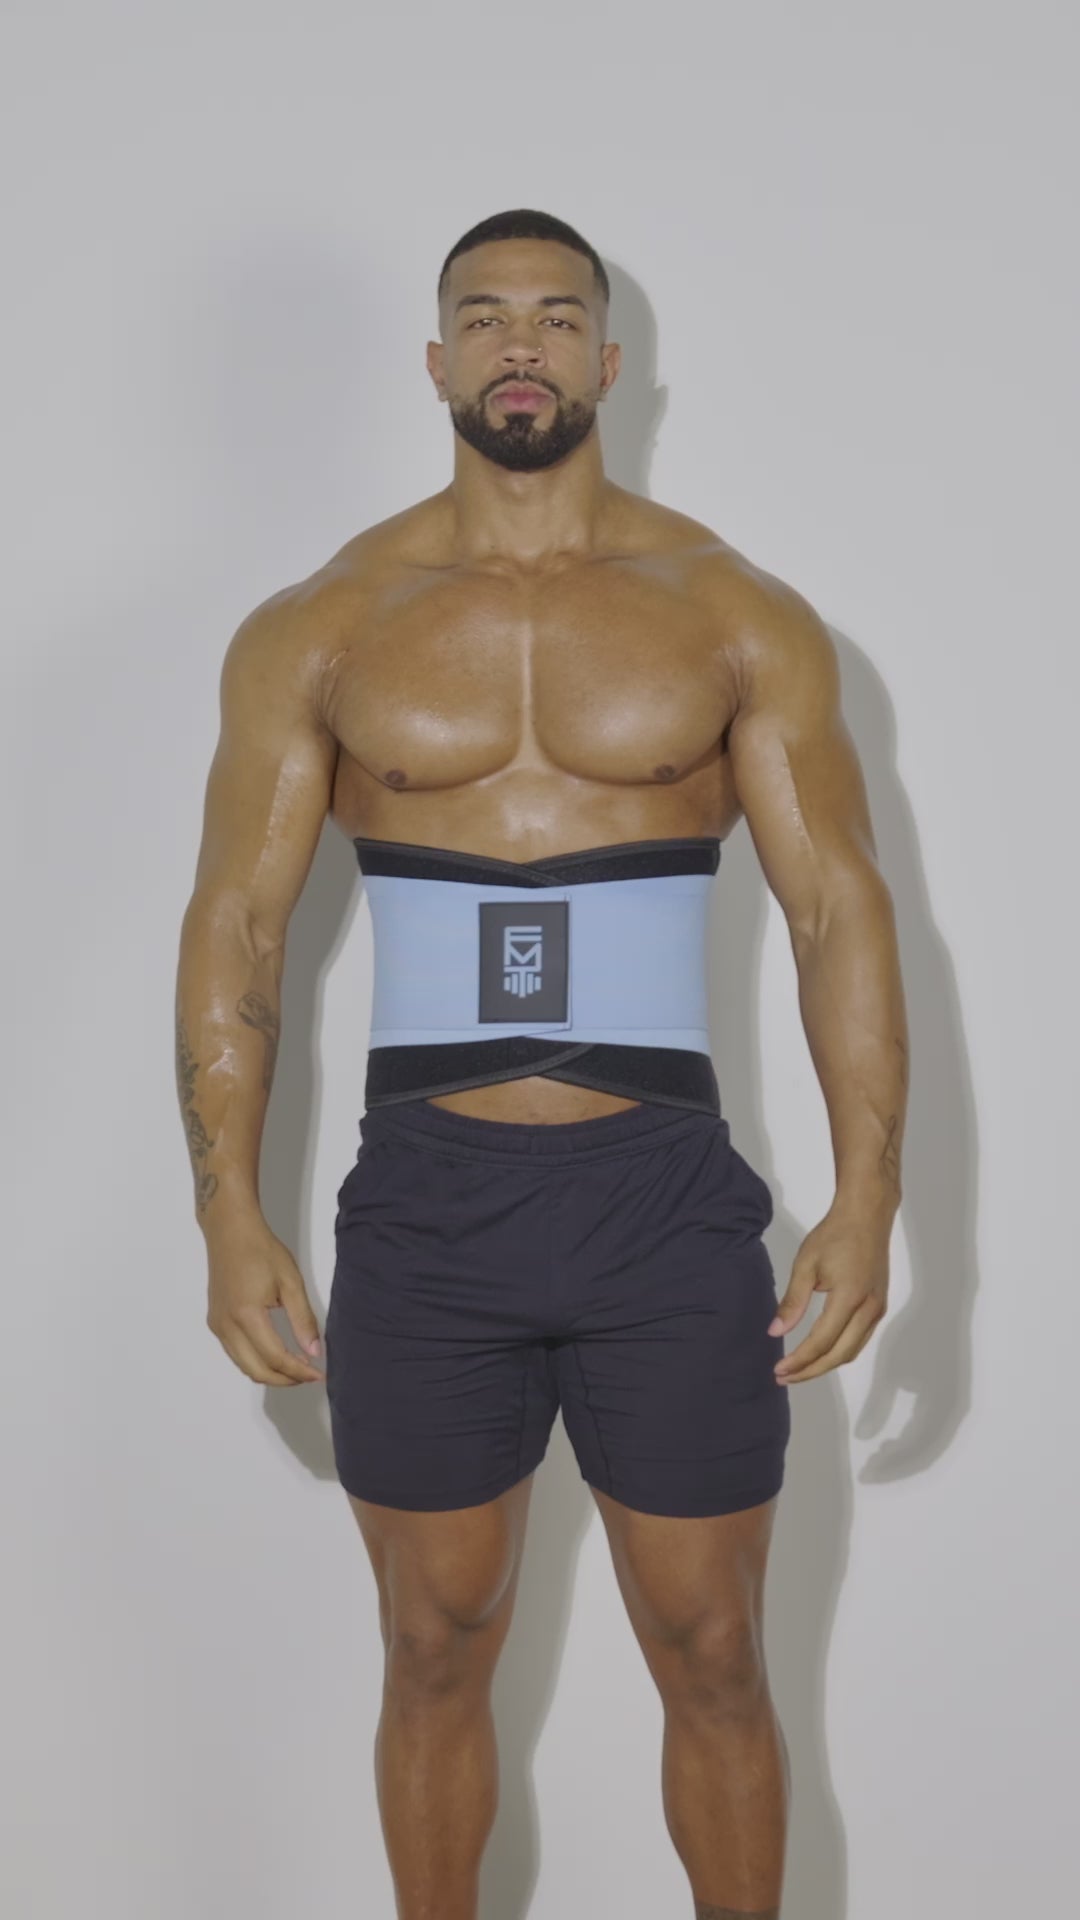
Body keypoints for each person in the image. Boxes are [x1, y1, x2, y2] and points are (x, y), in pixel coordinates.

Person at [175, 207, 908, 1920]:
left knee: (713, 1645)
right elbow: (238, 929)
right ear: (437, 360)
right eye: (488, 317)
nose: (522, 345)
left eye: (558, 317)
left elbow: (838, 913)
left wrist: (872, 1195)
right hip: (428, 1205)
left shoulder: (731, 610)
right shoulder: (323, 623)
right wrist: (226, 1209)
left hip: (661, 1200)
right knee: (434, 1640)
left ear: (608, 359)